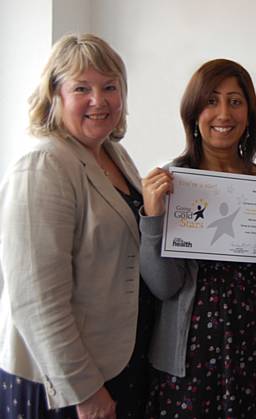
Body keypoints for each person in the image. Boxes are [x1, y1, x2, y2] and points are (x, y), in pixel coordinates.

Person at [139, 59, 256, 418]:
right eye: (212, 100)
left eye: (235, 101)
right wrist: (153, 219)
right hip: (190, 350)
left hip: (253, 341)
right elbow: (163, 286)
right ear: (194, 111)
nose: (223, 113)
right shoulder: (172, 181)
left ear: (249, 113)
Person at [0, 33, 153, 419]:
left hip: (115, 364)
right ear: (55, 95)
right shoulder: (44, 165)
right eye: (81, 88)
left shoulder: (114, 155)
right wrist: (84, 392)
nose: (98, 101)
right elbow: (35, 299)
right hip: (65, 386)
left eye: (109, 87)